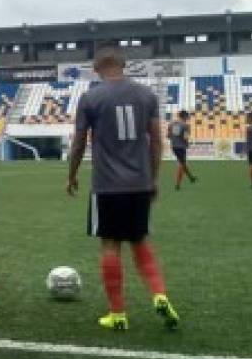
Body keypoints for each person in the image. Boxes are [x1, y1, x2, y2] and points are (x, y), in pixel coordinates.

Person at [66, 43, 181, 332]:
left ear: (96, 68)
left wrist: (72, 175)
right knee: (140, 241)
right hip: (140, 183)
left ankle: (118, 314)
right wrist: (152, 178)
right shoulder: (147, 95)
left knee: (110, 245)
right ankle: (159, 294)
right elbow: (156, 141)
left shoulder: (91, 98)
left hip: (107, 185)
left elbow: (79, 142)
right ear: (124, 64)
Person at [168, 109, 197, 190]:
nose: (188, 118)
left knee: (182, 163)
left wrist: (175, 137)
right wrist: (187, 143)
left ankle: (191, 177)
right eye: (187, 116)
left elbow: (168, 136)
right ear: (184, 116)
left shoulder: (172, 124)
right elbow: (185, 137)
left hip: (173, 146)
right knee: (182, 164)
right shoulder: (186, 125)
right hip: (181, 147)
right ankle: (179, 183)